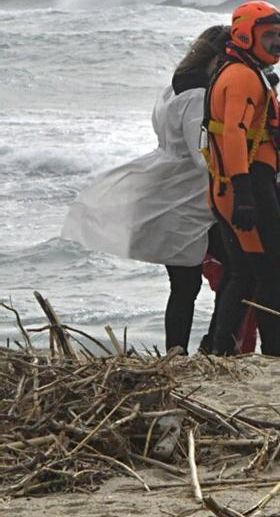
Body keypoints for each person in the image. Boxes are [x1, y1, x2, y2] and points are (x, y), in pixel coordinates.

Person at [61, 25, 229, 354]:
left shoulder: (172, 89)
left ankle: (191, 349)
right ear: (218, 59)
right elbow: (200, 157)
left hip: (171, 191)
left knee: (194, 280)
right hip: (187, 199)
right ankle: (195, 348)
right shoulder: (197, 95)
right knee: (200, 280)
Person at [201, 0, 280, 356]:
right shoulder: (241, 77)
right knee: (269, 277)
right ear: (244, 34)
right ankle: (274, 357)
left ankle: (220, 348)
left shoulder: (242, 71)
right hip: (243, 187)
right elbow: (236, 134)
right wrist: (246, 194)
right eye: (269, 34)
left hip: (240, 186)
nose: (277, 42)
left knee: (245, 274)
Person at [202, 116, 280, 354]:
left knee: (253, 289)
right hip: (222, 225)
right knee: (238, 288)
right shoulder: (225, 131)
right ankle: (227, 352)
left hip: (261, 220)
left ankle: (247, 355)